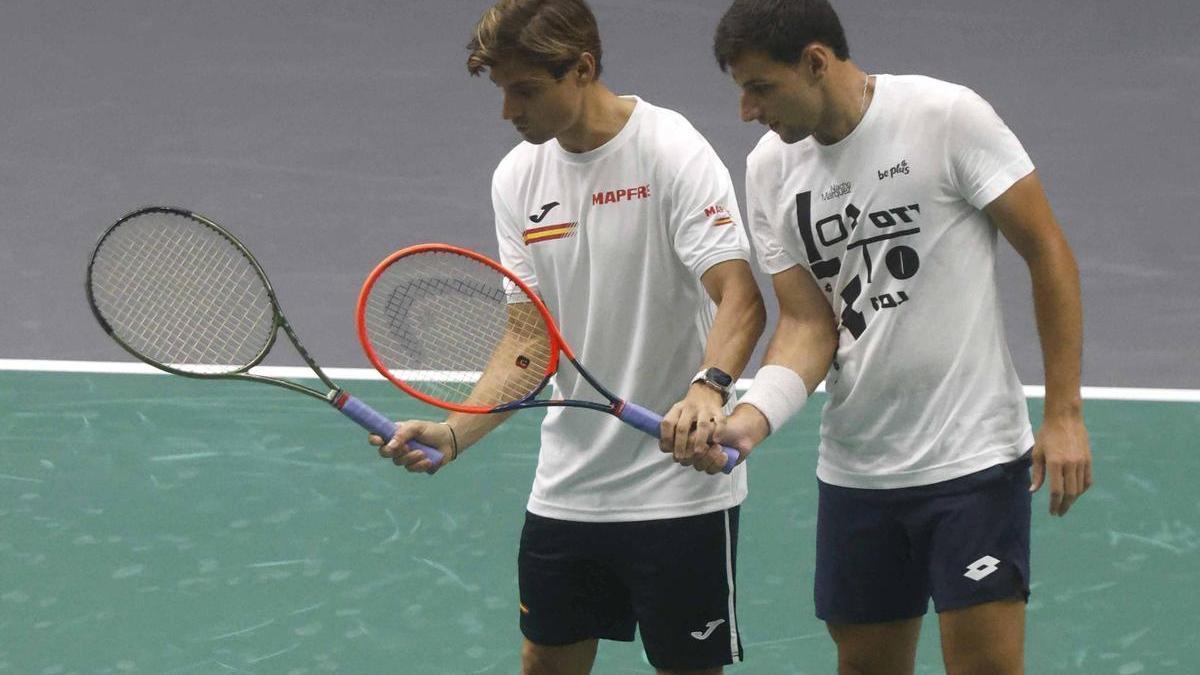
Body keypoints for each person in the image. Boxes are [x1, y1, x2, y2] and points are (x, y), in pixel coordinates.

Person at [660, 1, 1094, 672]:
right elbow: (808, 324)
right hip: (858, 471)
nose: (746, 110)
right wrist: (750, 420)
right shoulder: (770, 168)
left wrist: (1064, 413)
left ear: (815, 62)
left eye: (760, 87)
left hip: (972, 460)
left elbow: (1048, 251)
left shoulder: (945, 118)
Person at [371, 1, 766, 673]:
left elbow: (740, 296)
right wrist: (456, 431)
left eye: (525, 89)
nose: (508, 110)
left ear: (582, 69)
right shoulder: (517, 178)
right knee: (544, 660)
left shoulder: (669, 150)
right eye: (502, 90)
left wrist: (709, 389)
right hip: (570, 484)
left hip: (678, 482)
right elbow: (531, 343)